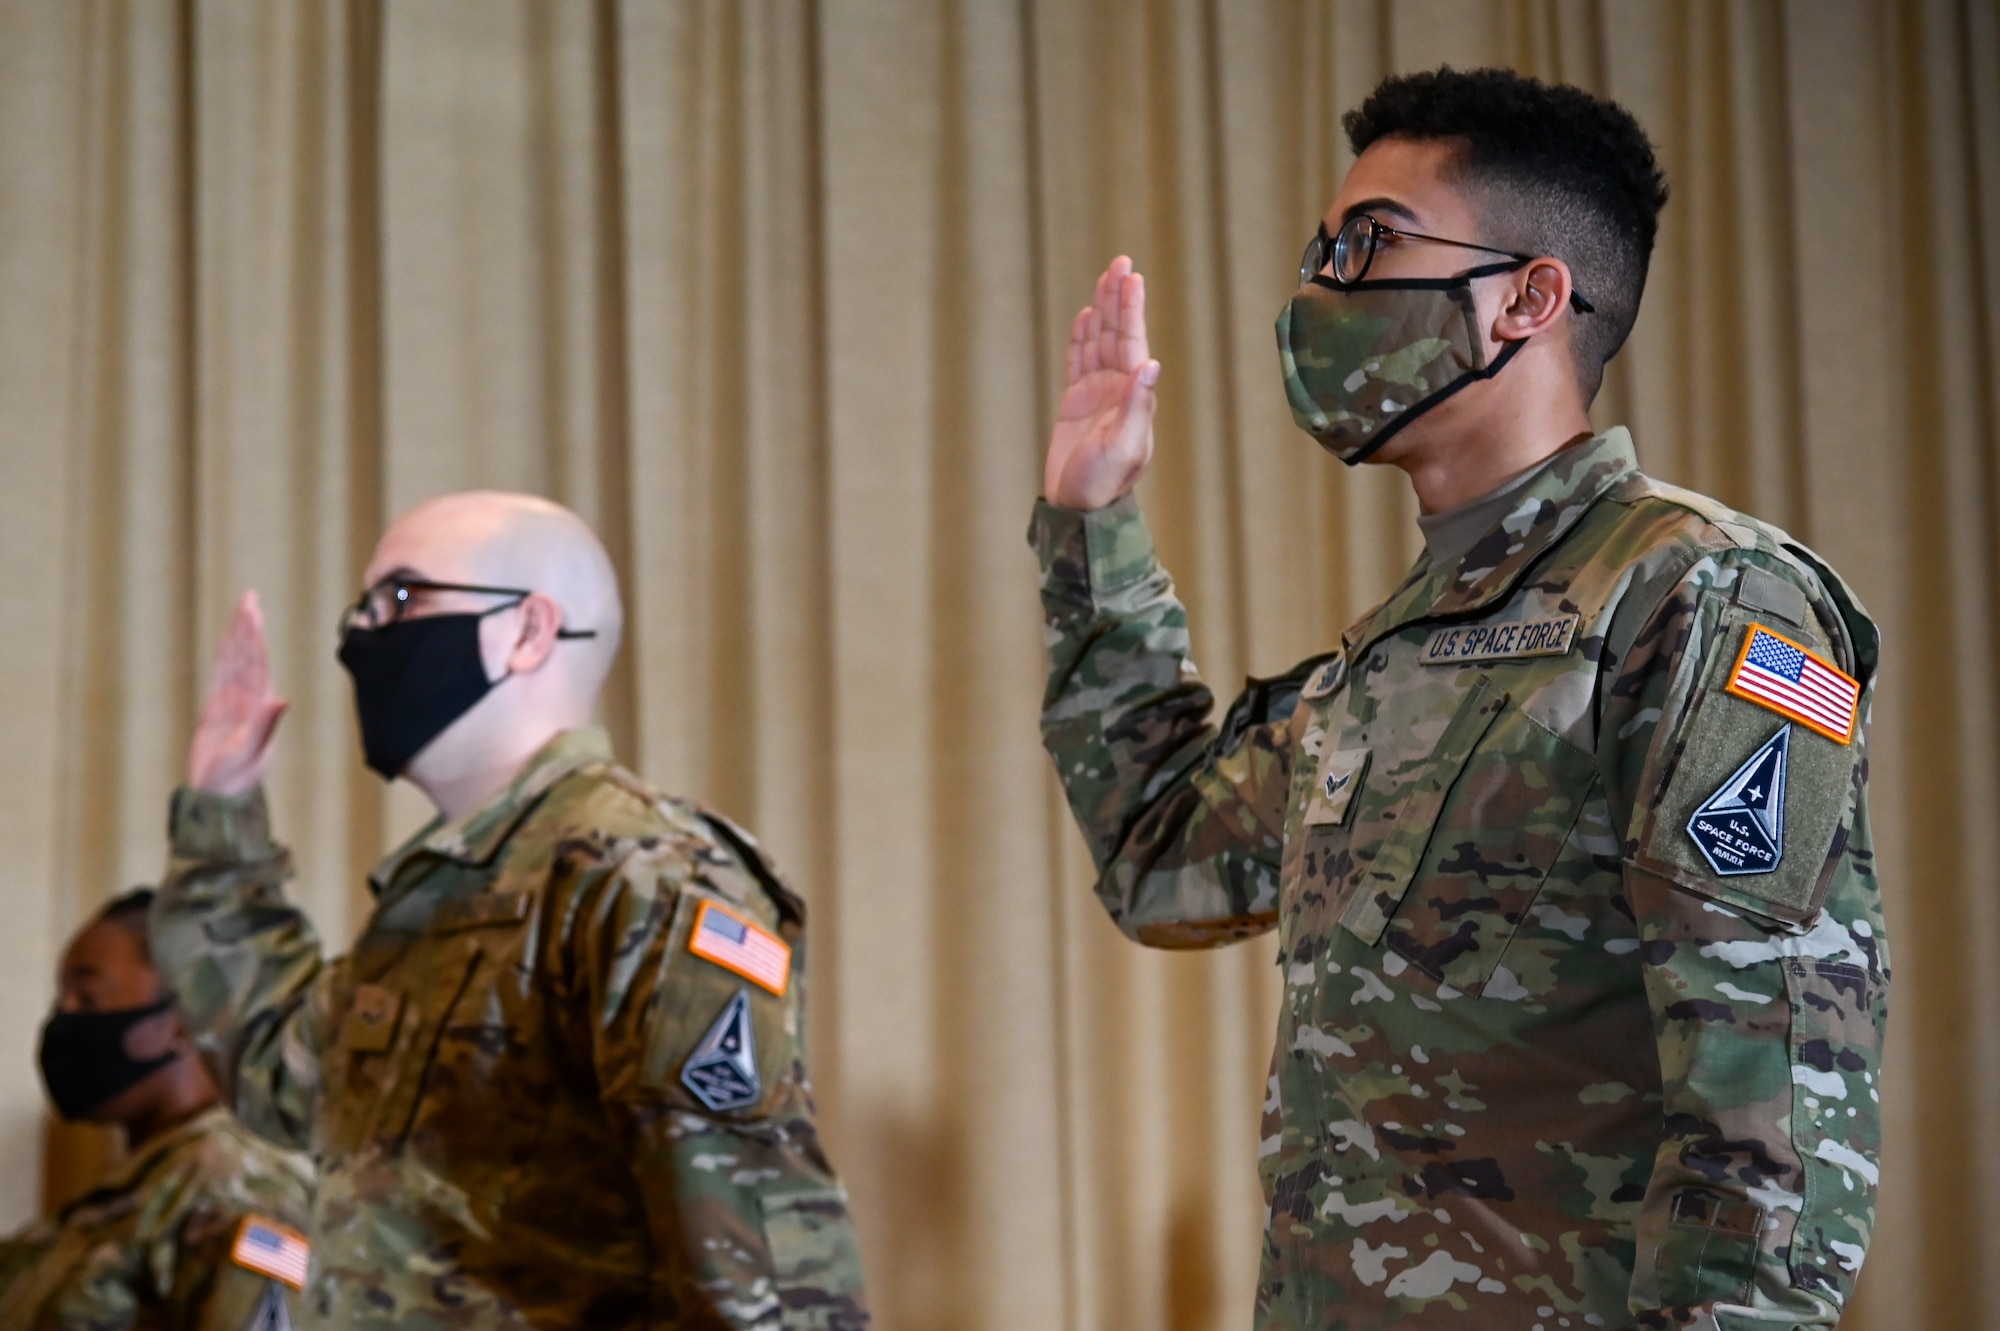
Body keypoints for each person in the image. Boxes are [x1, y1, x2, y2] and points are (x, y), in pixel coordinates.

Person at [1031, 67, 1886, 1330]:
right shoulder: (1392, 653)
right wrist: (1090, 526)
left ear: (1529, 298)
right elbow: (1164, 856)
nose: (1326, 287)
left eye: (1369, 242)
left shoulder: (1695, 597)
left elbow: (1773, 1105)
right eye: (1325, 247)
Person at [150, 492, 868, 1329]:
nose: (360, 636)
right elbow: (284, 1068)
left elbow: (757, 1260)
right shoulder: (448, 890)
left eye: (404, 600)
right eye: (365, 607)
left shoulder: (644, 873)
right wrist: (220, 812)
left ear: (530, 631)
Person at [0, 889, 314, 1330]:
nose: (63, 1019)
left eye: (88, 998)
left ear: (187, 1016)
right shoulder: (133, 1191)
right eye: (60, 1001)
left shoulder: (236, 1184)